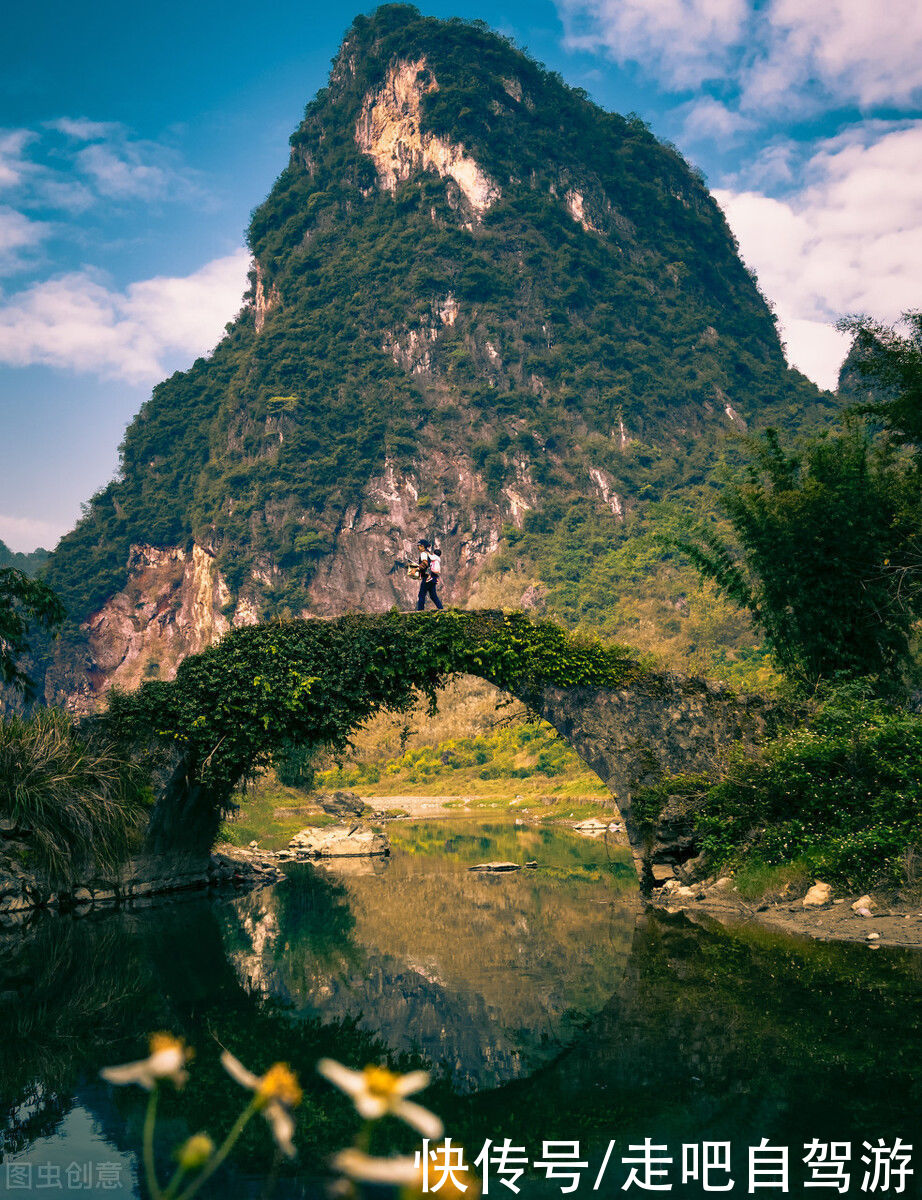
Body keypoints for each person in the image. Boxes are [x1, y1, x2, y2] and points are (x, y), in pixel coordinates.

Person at [415, 539, 443, 611]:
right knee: (433, 595)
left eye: (419, 546)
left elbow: (425, 564)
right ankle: (441, 609)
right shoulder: (429, 554)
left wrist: (418, 568)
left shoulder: (423, 554)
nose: (418, 547)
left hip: (427, 577)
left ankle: (420, 611)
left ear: (423, 546)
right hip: (433, 577)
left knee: (421, 594)